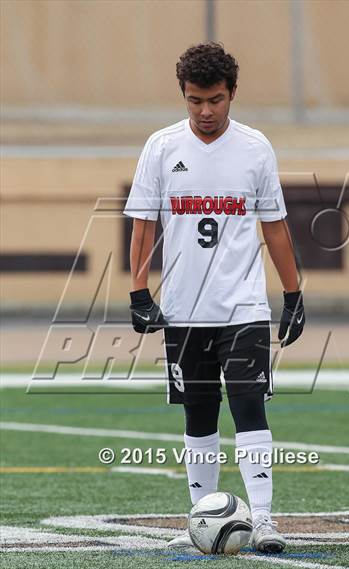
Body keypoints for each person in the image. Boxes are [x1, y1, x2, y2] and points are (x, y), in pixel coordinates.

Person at [124, 42, 305, 553]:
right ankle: (200, 515)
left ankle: (265, 520)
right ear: (183, 95)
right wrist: (138, 290)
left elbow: (275, 227)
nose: (205, 112)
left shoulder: (255, 148)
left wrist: (293, 295)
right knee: (199, 415)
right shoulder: (161, 147)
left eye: (216, 100)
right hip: (183, 310)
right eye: (195, 100)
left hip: (242, 306)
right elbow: (143, 224)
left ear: (233, 95)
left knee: (249, 407)